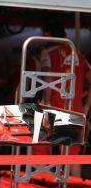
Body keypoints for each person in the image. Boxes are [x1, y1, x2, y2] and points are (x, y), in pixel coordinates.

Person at [33, 20, 91, 177]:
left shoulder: (48, 53)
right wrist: (86, 105)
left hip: (53, 108)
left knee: (41, 150)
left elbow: (48, 79)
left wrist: (47, 103)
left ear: (47, 35)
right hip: (75, 110)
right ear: (65, 35)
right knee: (72, 157)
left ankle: (41, 187)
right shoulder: (79, 55)